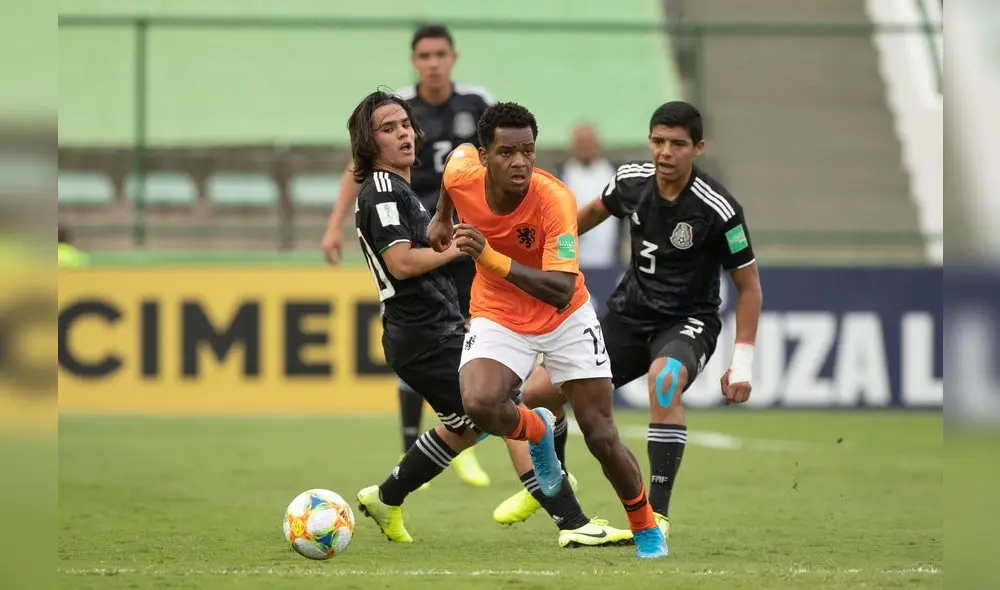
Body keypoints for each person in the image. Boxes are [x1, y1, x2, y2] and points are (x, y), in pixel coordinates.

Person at [348, 90, 633, 548]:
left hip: (434, 327)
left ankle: (386, 497)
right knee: (507, 410)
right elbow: (401, 263)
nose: (403, 133)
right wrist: (459, 248)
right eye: (387, 128)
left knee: (468, 425)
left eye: (404, 124)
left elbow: (451, 181)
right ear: (367, 142)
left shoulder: (405, 189)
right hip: (421, 333)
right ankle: (570, 518)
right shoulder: (382, 190)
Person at [492, 101, 764, 543]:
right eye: (658, 141)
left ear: (697, 148)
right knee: (539, 393)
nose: (665, 152)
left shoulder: (719, 208)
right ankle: (552, 482)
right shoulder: (631, 182)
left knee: (663, 381)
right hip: (628, 315)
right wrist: (537, 253)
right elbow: (585, 217)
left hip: (687, 321)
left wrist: (744, 363)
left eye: (677, 144)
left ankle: (656, 516)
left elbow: (749, 286)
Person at [428, 102, 668, 559]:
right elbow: (451, 171)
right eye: (506, 153)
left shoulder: (554, 198)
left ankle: (645, 526)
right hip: (499, 313)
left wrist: (488, 257)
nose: (519, 162)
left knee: (600, 434)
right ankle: (536, 430)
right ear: (484, 156)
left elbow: (559, 289)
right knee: (479, 403)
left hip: (565, 317)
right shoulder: (463, 172)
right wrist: (441, 216)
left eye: (528, 151)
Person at [321, 24, 496, 488]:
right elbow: (355, 169)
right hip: (410, 235)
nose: (433, 62)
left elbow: (500, 158)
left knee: (465, 340)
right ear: (415, 61)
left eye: (440, 54)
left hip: (457, 237)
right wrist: (333, 226)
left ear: (452, 58)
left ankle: (458, 432)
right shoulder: (395, 110)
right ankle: (437, 435)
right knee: (425, 332)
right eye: (424, 55)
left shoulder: (477, 103)